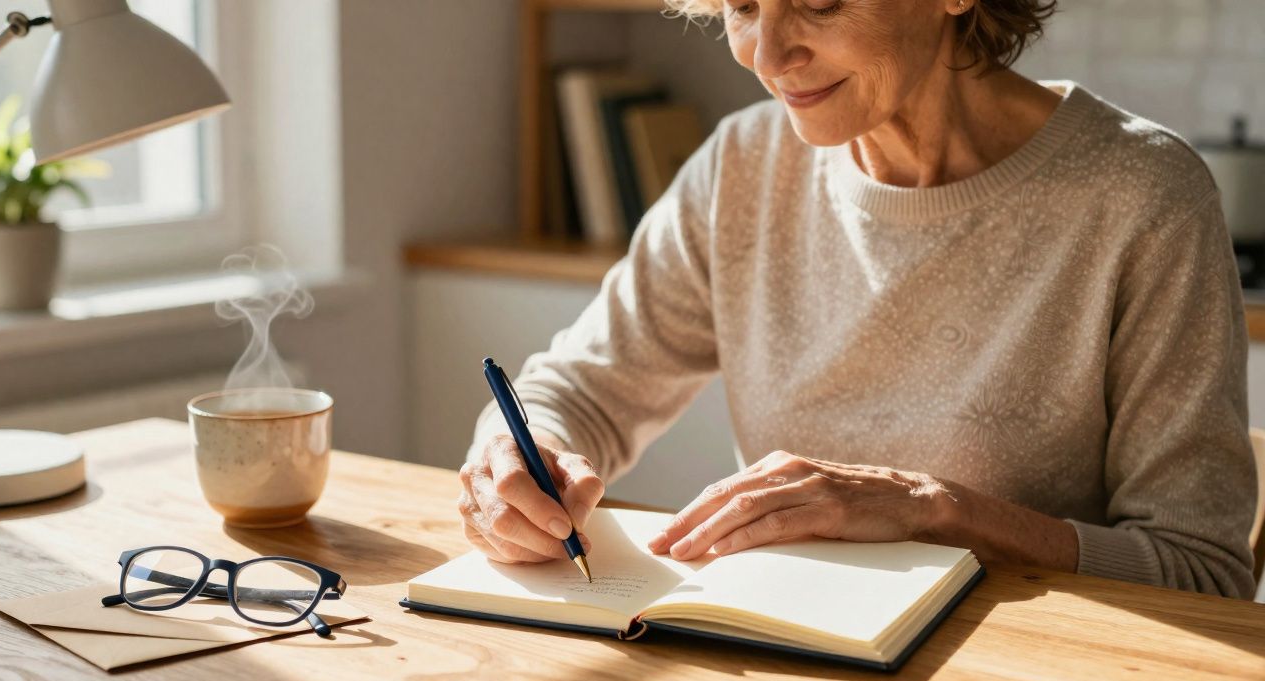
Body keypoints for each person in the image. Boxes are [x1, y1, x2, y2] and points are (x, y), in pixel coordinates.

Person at [456, 0, 1259, 598]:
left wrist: (936, 511)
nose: (767, 53)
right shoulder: (742, 165)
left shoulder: (1142, 195)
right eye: (741, 6)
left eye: (818, 1)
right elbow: (576, 390)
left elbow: (1201, 572)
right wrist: (514, 459)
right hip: (789, 672)